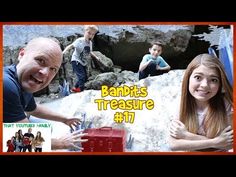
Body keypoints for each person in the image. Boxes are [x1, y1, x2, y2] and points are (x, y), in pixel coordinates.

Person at [3, 37, 87, 150]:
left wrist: (65, 119)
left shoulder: (21, 80)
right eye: (40, 60)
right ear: (22, 54)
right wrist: (61, 143)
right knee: (30, 140)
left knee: (46, 129)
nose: (45, 73)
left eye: (53, 69)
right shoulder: (6, 85)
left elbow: (33, 108)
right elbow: (23, 137)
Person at [169, 53, 233, 152]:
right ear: (188, 78)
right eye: (198, 77)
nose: (204, 85)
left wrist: (186, 135)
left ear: (220, 84)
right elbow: (174, 145)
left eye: (213, 80)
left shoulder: (226, 104)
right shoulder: (181, 103)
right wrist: (216, 142)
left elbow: (229, 145)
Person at [62, 25, 99, 92]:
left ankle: (75, 88)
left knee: (84, 77)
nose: (90, 36)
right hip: (76, 60)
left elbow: (90, 52)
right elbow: (70, 46)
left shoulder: (90, 43)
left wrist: (96, 57)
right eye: (89, 33)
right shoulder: (79, 41)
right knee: (81, 76)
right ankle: (80, 90)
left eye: (93, 34)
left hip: (83, 62)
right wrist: (63, 52)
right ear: (84, 32)